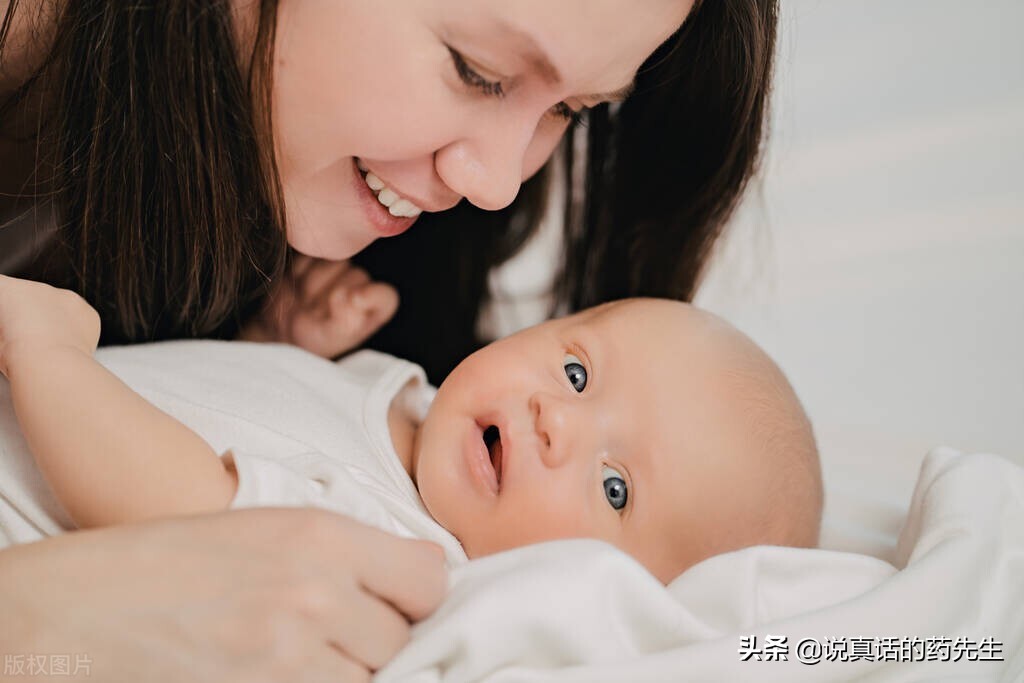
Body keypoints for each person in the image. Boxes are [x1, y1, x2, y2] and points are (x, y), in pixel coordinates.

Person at [0, 0, 780, 678]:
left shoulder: (413, 545)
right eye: (478, 71)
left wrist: (268, 346)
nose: (498, 182)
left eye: (569, 109)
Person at [0, 275, 823, 587]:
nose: (554, 418)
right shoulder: (405, 394)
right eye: (576, 372)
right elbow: (242, 425)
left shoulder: (396, 547)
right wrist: (275, 347)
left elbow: (169, 504)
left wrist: (46, 355)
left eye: (616, 486)